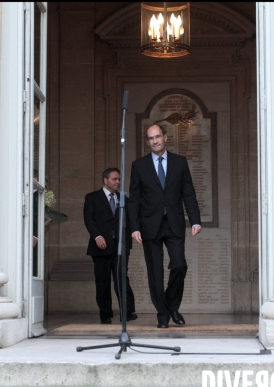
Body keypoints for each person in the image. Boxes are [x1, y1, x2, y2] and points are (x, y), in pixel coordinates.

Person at [128, 124, 201, 329]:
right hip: (149, 225)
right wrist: (134, 227)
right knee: (155, 273)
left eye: (158, 137)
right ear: (148, 141)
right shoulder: (139, 165)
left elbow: (189, 193)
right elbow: (133, 200)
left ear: (165, 137)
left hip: (174, 223)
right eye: (150, 138)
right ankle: (163, 314)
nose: (155, 141)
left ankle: (171, 306)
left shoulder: (180, 162)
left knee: (179, 265)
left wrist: (195, 220)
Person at [83, 168, 137, 324]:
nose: (118, 182)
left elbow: (131, 219)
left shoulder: (123, 199)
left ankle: (126, 312)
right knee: (103, 281)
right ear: (105, 180)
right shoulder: (92, 197)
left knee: (122, 279)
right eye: (114, 179)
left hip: (120, 246)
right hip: (100, 246)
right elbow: (89, 219)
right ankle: (105, 314)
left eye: (119, 179)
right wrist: (97, 236)